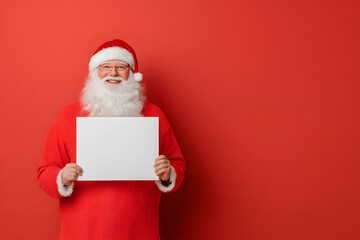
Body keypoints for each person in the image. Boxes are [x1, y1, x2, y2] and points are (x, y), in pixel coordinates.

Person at [37, 39, 186, 240]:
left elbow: (177, 163)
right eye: (105, 67)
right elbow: (45, 171)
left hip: (139, 231)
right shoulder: (68, 116)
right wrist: (62, 177)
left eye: (120, 67)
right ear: (94, 73)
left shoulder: (154, 115)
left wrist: (168, 173)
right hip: (81, 233)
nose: (113, 73)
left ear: (132, 73)